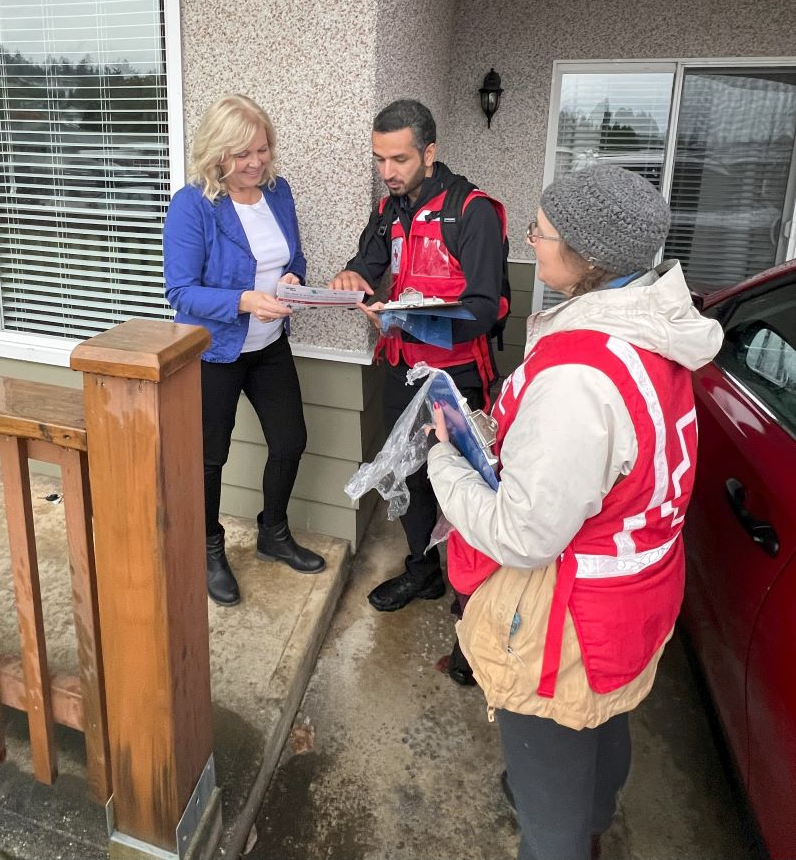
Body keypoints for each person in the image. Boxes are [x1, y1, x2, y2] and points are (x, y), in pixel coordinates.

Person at [427, 164, 723, 860]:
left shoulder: (578, 377)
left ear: (586, 258)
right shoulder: (652, 333)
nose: (530, 239)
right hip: (632, 591)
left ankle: (561, 828)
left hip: (565, 617)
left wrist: (443, 457)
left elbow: (520, 532)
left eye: (541, 231)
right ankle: (589, 811)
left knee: (549, 800)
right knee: (602, 724)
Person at [329, 99, 508, 659]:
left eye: (400, 158)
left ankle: (473, 612)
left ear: (430, 153)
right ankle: (421, 569)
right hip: (400, 367)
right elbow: (369, 262)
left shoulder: (473, 211)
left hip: (454, 380)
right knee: (409, 474)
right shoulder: (391, 208)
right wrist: (353, 274)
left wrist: (405, 315)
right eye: (380, 159)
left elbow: (488, 308)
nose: (388, 171)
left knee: (466, 489)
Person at [163, 94, 325, 607]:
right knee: (210, 457)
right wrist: (243, 300)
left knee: (290, 439)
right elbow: (180, 291)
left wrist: (293, 276)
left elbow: (291, 253)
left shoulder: (278, 192)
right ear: (217, 154)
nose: (256, 162)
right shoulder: (193, 205)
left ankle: (272, 534)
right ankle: (209, 548)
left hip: (270, 346)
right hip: (214, 352)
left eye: (263, 149)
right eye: (242, 153)